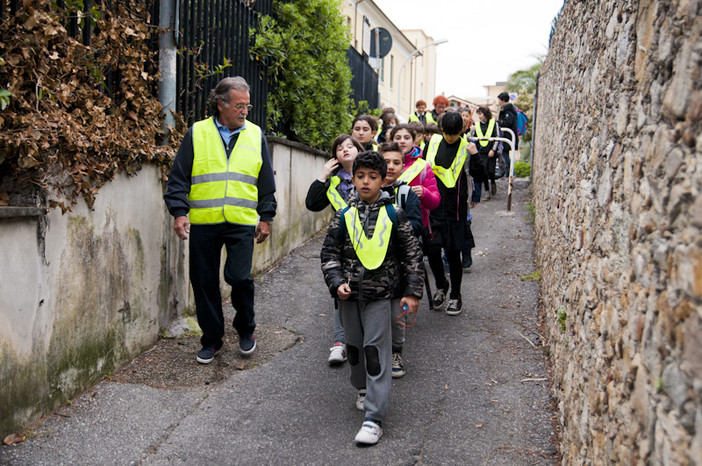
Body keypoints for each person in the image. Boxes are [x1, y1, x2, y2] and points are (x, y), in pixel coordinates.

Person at [164, 76, 277, 363]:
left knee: (238, 277)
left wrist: (266, 217)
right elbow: (178, 178)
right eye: (239, 106)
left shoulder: (255, 134)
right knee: (203, 282)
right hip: (203, 222)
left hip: (241, 221)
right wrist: (179, 212)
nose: (244, 111)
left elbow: (265, 183)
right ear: (221, 104)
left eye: (247, 106)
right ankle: (212, 339)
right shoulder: (197, 133)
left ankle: (246, 329)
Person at [321, 150, 424, 446]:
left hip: (381, 296)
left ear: (383, 180)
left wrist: (412, 292)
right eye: (361, 176)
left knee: (375, 352)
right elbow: (329, 253)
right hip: (349, 296)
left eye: (373, 177)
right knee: (353, 349)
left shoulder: (395, 214)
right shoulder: (344, 215)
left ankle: (374, 418)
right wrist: (336, 282)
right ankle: (362, 388)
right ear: (353, 179)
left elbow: (412, 255)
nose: (366, 182)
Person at [305, 134, 364, 364]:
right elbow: (311, 204)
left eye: (350, 146)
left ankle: (363, 340)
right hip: (343, 246)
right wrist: (323, 176)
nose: (346, 149)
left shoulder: (369, 175)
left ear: (360, 150)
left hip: (371, 242)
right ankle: (340, 343)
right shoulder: (333, 182)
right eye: (340, 148)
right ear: (335, 156)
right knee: (341, 292)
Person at [424, 112, 479, 316]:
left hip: (455, 211)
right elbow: (423, 168)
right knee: (431, 250)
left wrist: (475, 155)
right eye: (446, 133)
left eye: (454, 134)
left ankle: (456, 296)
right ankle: (442, 285)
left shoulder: (468, 146)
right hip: (433, 207)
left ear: (462, 130)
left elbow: (479, 175)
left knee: (453, 254)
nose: (449, 138)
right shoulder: (434, 143)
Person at [379, 142, 423, 379]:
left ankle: (396, 352)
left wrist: (394, 224)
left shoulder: (406, 193)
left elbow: (418, 225)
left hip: (400, 266)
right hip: (373, 266)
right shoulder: (364, 191)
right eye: (386, 162)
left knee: (397, 315)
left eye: (397, 162)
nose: (391, 167)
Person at [471, 106, 500, 200]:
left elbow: (497, 137)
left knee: (491, 171)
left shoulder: (494, 123)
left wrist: (493, 150)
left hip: (491, 151)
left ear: (486, 114)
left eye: (481, 114)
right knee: (484, 172)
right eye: (478, 114)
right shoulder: (477, 125)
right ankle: (487, 192)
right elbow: (474, 138)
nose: (479, 116)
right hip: (481, 152)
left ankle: (492, 182)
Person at [496, 92, 519, 178]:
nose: (498, 102)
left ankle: (511, 174)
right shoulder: (507, 109)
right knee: (505, 155)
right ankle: (508, 173)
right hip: (506, 137)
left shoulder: (508, 110)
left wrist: (498, 122)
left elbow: (508, 122)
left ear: (503, 100)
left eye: (499, 100)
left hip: (507, 137)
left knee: (505, 155)